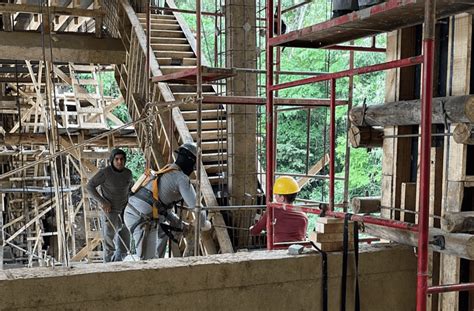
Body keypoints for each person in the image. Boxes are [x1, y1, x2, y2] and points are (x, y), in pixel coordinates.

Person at [124, 142, 211, 260]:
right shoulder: (181, 178)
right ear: (191, 162)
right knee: (147, 262)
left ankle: (159, 264)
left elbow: (163, 208)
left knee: (163, 233)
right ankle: (154, 269)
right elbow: (198, 208)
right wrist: (203, 223)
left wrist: (181, 225)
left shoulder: (167, 169)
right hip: (143, 219)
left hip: (134, 212)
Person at [86, 148, 134, 262]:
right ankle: (108, 266)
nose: (119, 162)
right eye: (116, 159)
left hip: (125, 211)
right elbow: (90, 186)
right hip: (110, 211)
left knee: (125, 244)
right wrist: (103, 202)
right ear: (112, 160)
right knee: (109, 243)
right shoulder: (105, 172)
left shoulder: (128, 173)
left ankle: (118, 264)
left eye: (122, 159)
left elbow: (131, 189)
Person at [249, 176, 308, 243]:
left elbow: (256, 231)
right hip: (298, 249)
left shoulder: (273, 210)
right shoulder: (303, 215)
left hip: (279, 249)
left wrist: (251, 229)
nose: (275, 199)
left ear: (282, 198)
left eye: (276, 196)